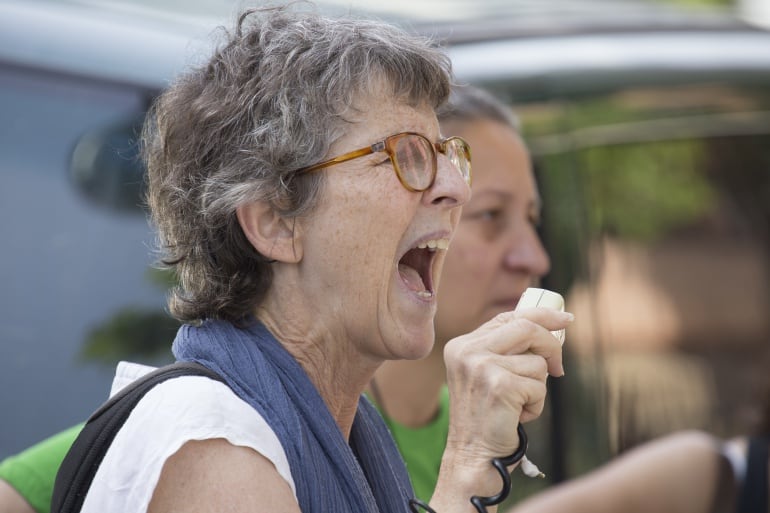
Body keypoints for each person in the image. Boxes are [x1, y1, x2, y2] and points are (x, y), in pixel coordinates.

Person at [40, 6, 567, 513]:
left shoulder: (345, 433)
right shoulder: (212, 447)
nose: (455, 188)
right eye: (406, 155)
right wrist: (469, 469)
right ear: (274, 221)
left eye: (448, 156)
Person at [366, 84, 552, 503]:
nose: (534, 258)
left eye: (531, 219)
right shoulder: (313, 436)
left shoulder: (477, 415)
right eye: (490, 215)